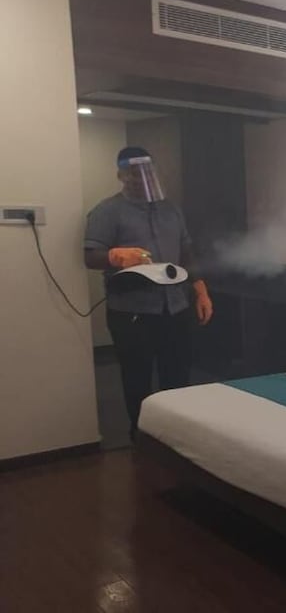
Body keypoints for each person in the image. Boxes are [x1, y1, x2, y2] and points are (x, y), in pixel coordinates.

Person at [84, 146, 213, 440]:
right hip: (132, 311)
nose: (140, 177)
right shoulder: (107, 211)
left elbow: (186, 252)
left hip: (175, 307)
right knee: (137, 377)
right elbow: (90, 257)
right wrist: (115, 256)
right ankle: (141, 436)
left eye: (146, 171)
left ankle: (176, 435)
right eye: (133, 172)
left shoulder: (171, 209)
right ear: (121, 175)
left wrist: (201, 292)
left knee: (177, 374)